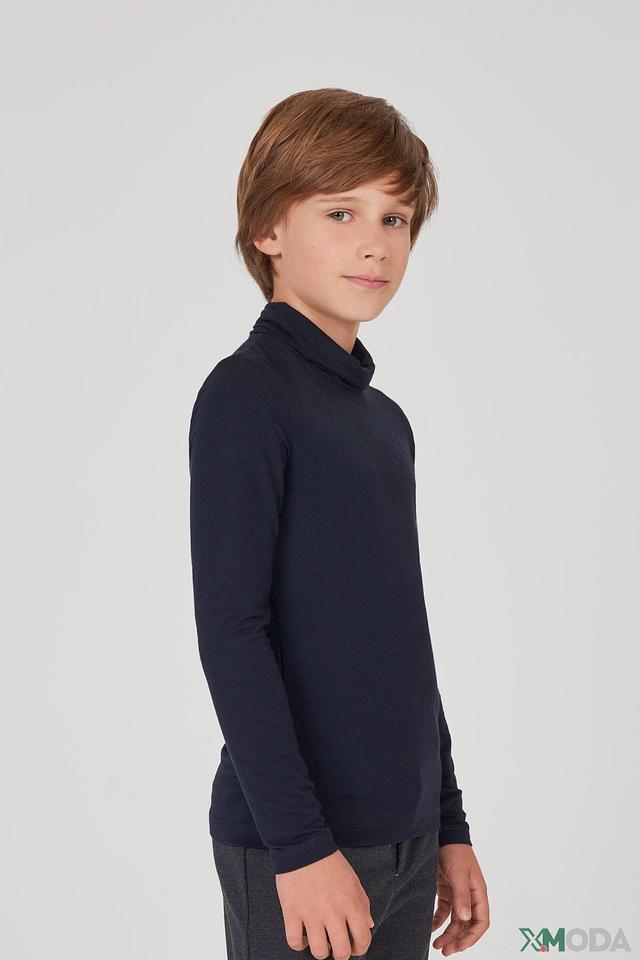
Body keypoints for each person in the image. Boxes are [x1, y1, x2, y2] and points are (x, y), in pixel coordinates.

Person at [188, 87, 490, 959]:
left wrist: (449, 824)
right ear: (267, 230)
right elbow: (232, 631)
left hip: (406, 840)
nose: (375, 243)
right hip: (302, 846)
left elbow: (402, 637)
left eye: (396, 219)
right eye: (341, 211)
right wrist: (299, 846)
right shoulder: (247, 396)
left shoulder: (384, 422)